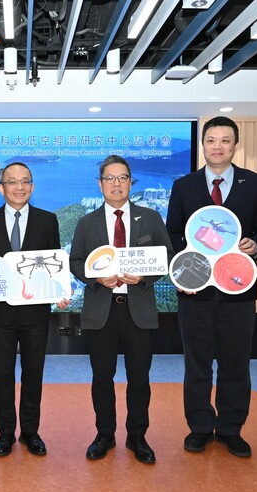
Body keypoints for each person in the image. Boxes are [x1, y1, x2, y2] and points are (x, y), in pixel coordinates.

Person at [165, 116, 257, 458]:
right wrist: (184, 274)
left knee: (236, 363)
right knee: (196, 364)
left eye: (225, 140)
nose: (217, 146)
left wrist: (255, 246)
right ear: (203, 145)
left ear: (235, 145)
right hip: (196, 292)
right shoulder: (184, 185)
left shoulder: (255, 184)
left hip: (238, 289)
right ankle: (199, 427)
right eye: (211, 140)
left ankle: (230, 428)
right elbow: (172, 235)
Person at [69, 154, 174, 464]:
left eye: (122, 178)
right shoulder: (86, 222)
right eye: (110, 178)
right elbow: (76, 261)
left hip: (137, 309)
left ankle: (137, 436)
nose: (116, 184)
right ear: (100, 184)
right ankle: (104, 434)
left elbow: (165, 256)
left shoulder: (150, 218)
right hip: (101, 310)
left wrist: (145, 275)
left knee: (139, 378)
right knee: (102, 378)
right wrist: (95, 277)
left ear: (131, 182)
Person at [0, 162, 68, 457]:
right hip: (0, 315)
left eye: (25, 181)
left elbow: (55, 263)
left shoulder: (48, 221)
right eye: (12, 182)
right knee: (3, 375)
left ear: (32, 187)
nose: (19, 187)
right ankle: (6, 433)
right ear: (1, 187)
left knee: (34, 374)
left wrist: (60, 291)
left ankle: (31, 433)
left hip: (36, 314)